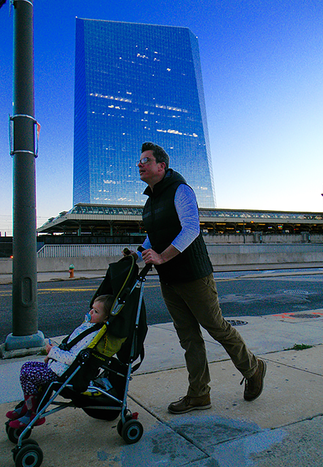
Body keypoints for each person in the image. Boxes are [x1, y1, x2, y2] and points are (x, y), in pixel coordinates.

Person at [132, 141, 266, 414]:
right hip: (169, 279)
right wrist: (139, 254)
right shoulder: (150, 202)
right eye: (140, 160)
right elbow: (153, 237)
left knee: (216, 327)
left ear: (162, 166)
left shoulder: (180, 190)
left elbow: (191, 228)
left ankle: (253, 368)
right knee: (188, 338)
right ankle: (199, 394)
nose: (140, 164)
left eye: (146, 160)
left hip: (193, 276)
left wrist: (162, 256)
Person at [6, 294, 115, 429]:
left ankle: (32, 412)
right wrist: (53, 355)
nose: (91, 312)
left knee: (28, 374)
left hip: (63, 372)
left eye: (96, 312)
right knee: (27, 366)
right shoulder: (88, 326)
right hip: (58, 366)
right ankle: (28, 407)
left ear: (105, 318)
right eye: (92, 308)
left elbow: (72, 358)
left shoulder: (93, 335)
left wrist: (53, 352)